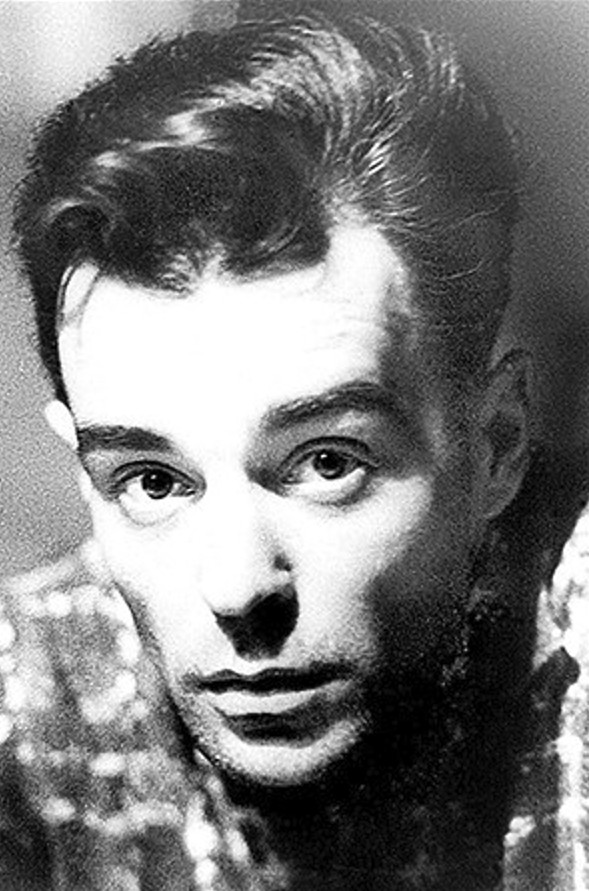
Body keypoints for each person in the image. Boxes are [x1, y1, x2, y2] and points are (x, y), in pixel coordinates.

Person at [2, 8, 588, 890]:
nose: (238, 588)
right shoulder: (25, 709)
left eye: (327, 462)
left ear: (496, 442)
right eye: (151, 481)